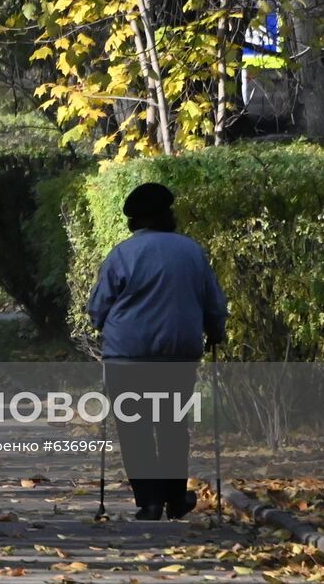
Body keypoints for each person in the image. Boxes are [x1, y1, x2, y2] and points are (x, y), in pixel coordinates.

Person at [87, 182, 227, 521]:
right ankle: (176, 498)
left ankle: (148, 502)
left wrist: (101, 325)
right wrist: (216, 333)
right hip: (177, 354)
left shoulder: (123, 253)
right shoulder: (191, 251)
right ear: (168, 215)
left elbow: (97, 308)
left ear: (134, 221)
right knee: (172, 425)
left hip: (128, 356)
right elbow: (213, 302)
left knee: (134, 428)